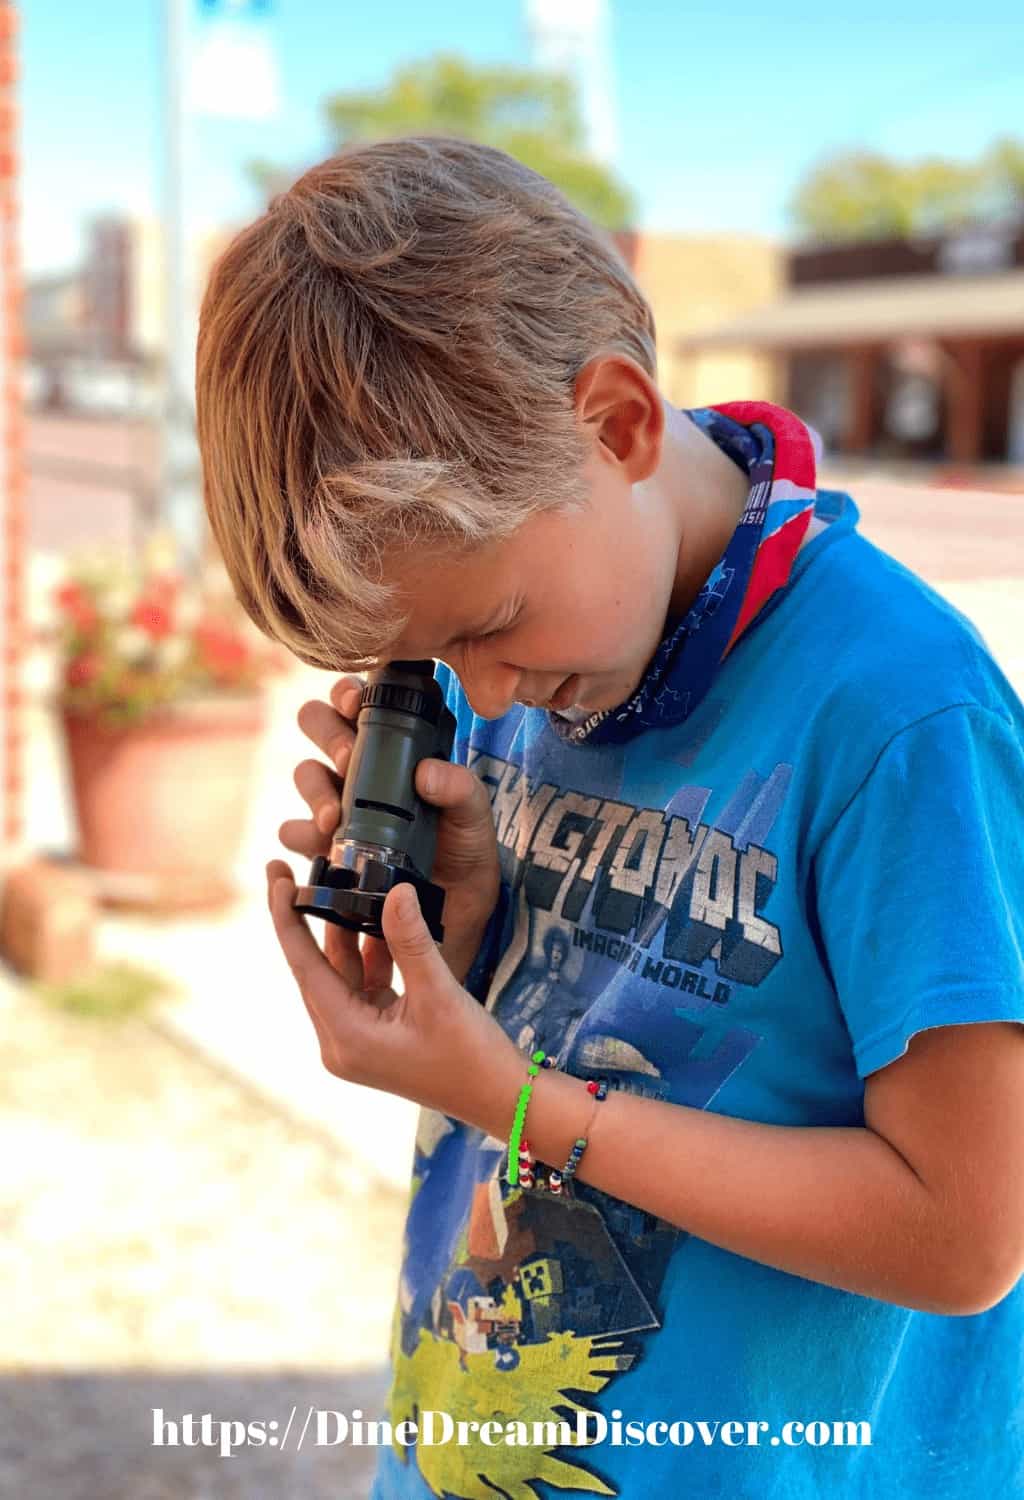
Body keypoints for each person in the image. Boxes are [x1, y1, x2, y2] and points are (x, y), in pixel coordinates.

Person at [194, 135, 1024, 1500]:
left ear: (621, 422)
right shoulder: (557, 638)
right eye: (434, 666)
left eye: (493, 626)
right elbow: (580, 1018)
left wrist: (515, 1102)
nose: (488, 692)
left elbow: (962, 1232)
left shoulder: (901, 720)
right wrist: (467, 939)